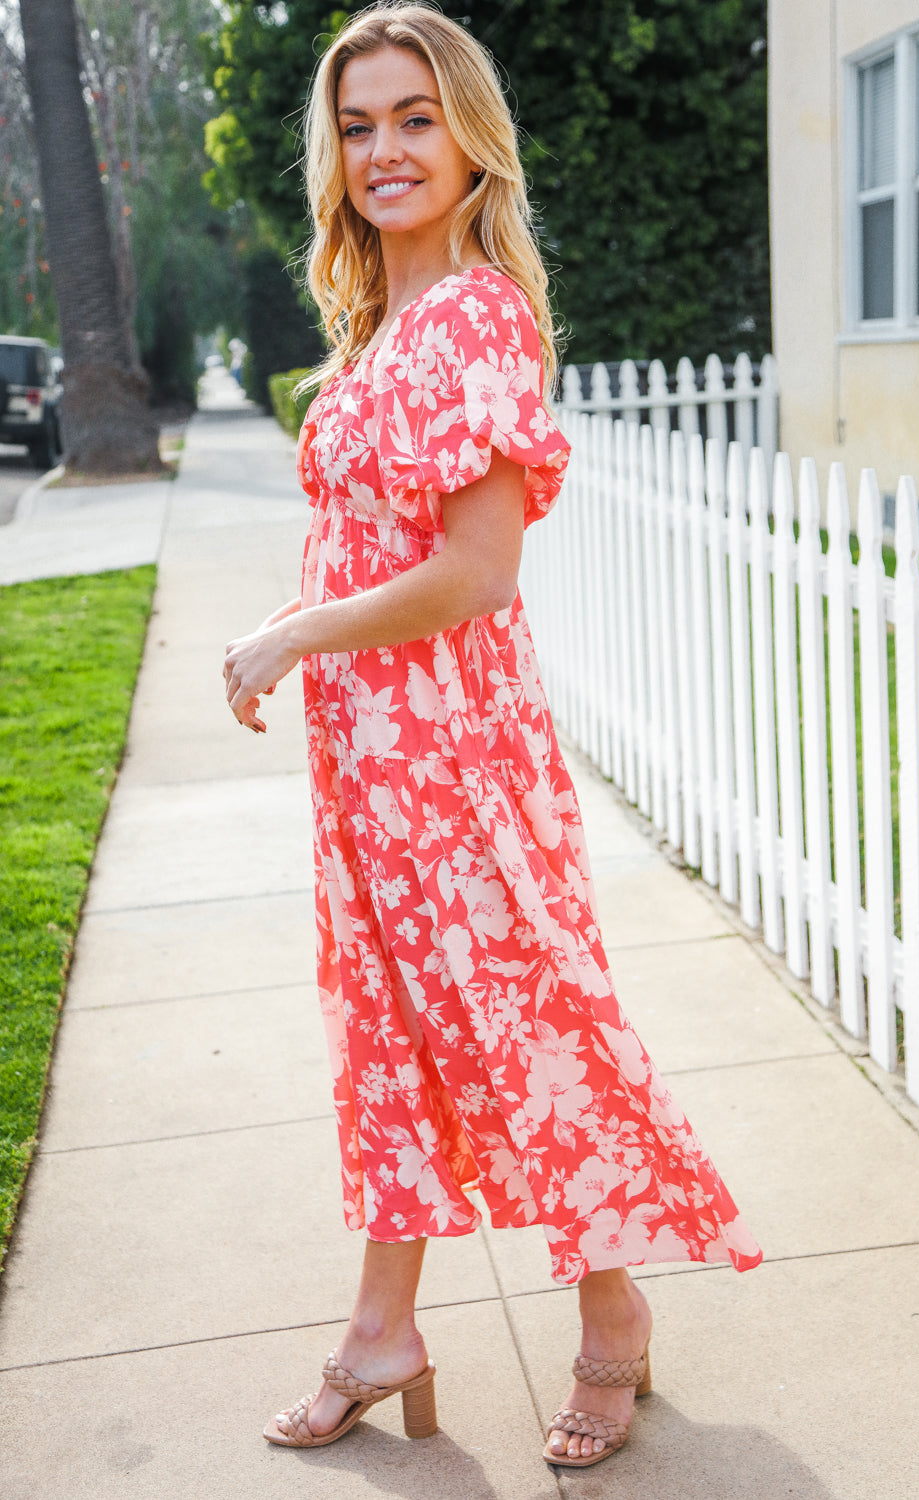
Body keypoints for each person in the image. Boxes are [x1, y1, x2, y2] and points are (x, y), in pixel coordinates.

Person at [222, 1, 762, 1471]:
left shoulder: (472, 314)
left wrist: (288, 634)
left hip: (457, 762)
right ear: (332, 155)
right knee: (396, 1041)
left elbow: (475, 570)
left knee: (517, 1037)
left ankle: (613, 1321)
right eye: (358, 124)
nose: (386, 149)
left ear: (470, 141)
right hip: (369, 765)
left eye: (414, 117)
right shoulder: (377, 323)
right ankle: (382, 1330)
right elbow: (369, 547)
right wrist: (307, 630)